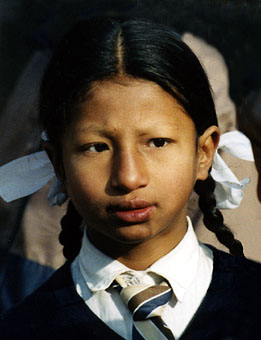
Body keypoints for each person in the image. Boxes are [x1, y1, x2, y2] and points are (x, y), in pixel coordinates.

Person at [0, 16, 261, 340]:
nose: (128, 177)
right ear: (58, 163)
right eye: (96, 147)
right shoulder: (23, 330)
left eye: (157, 142)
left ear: (205, 152)